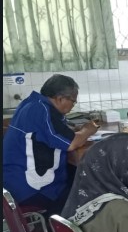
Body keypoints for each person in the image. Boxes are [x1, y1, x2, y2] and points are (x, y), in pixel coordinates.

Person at [3, 74, 98, 215]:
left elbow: (46, 133)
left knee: (75, 178)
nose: (73, 105)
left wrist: (75, 132)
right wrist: (88, 130)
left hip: (12, 178)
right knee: (86, 193)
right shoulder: (42, 111)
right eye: (73, 101)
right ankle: (57, 229)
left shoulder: (31, 103)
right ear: (60, 99)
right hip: (29, 187)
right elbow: (71, 144)